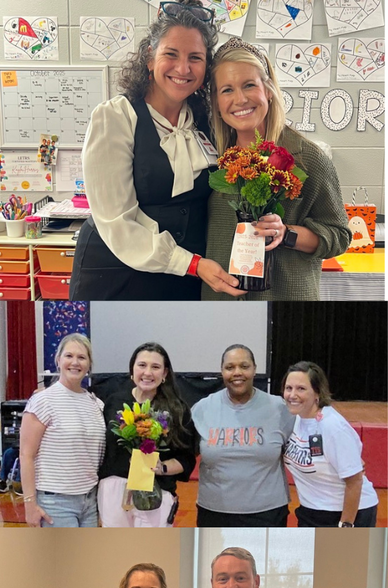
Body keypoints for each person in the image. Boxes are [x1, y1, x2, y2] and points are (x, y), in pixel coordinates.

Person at [69, 0, 244, 301]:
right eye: (171, 55)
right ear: (150, 57)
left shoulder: (207, 121)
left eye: (196, 58)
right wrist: (192, 264)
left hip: (189, 277)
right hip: (117, 274)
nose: (183, 68)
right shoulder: (116, 117)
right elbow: (117, 224)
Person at [204, 38, 351, 301]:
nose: (240, 99)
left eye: (249, 85)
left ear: (268, 90)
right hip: (220, 302)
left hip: (284, 299)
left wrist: (286, 234)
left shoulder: (307, 158)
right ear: (215, 101)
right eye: (226, 90)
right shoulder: (210, 158)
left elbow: (339, 236)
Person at [191, 344, 294, 526]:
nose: (237, 372)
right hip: (214, 512)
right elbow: (183, 453)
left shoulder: (280, 408)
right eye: (230, 367)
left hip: (268, 513)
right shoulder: (202, 409)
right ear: (221, 372)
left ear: (255, 370)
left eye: (244, 366)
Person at [98, 342, 197, 527]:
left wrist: (162, 468)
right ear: (132, 369)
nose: (148, 372)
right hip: (114, 493)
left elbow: (187, 459)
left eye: (156, 367)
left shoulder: (177, 410)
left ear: (165, 373)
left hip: (156, 492)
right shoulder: (114, 402)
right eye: (142, 365)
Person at [19, 333, 106, 527]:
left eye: (82, 357)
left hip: (90, 502)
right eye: (69, 356)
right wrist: (29, 505)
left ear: (89, 364)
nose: (75, 362)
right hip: (55, 503)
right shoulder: (42, 401)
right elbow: (26, 455)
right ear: (58, 360)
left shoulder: (96, 404)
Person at [282, 361, 379, 527]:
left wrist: (346, 524)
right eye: (288, 388)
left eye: (301, 389)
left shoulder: (332, 426)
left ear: (317, 392)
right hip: (311, 510)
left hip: (348, 513)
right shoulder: (296, 417)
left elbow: (355, 481)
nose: (292, 395)